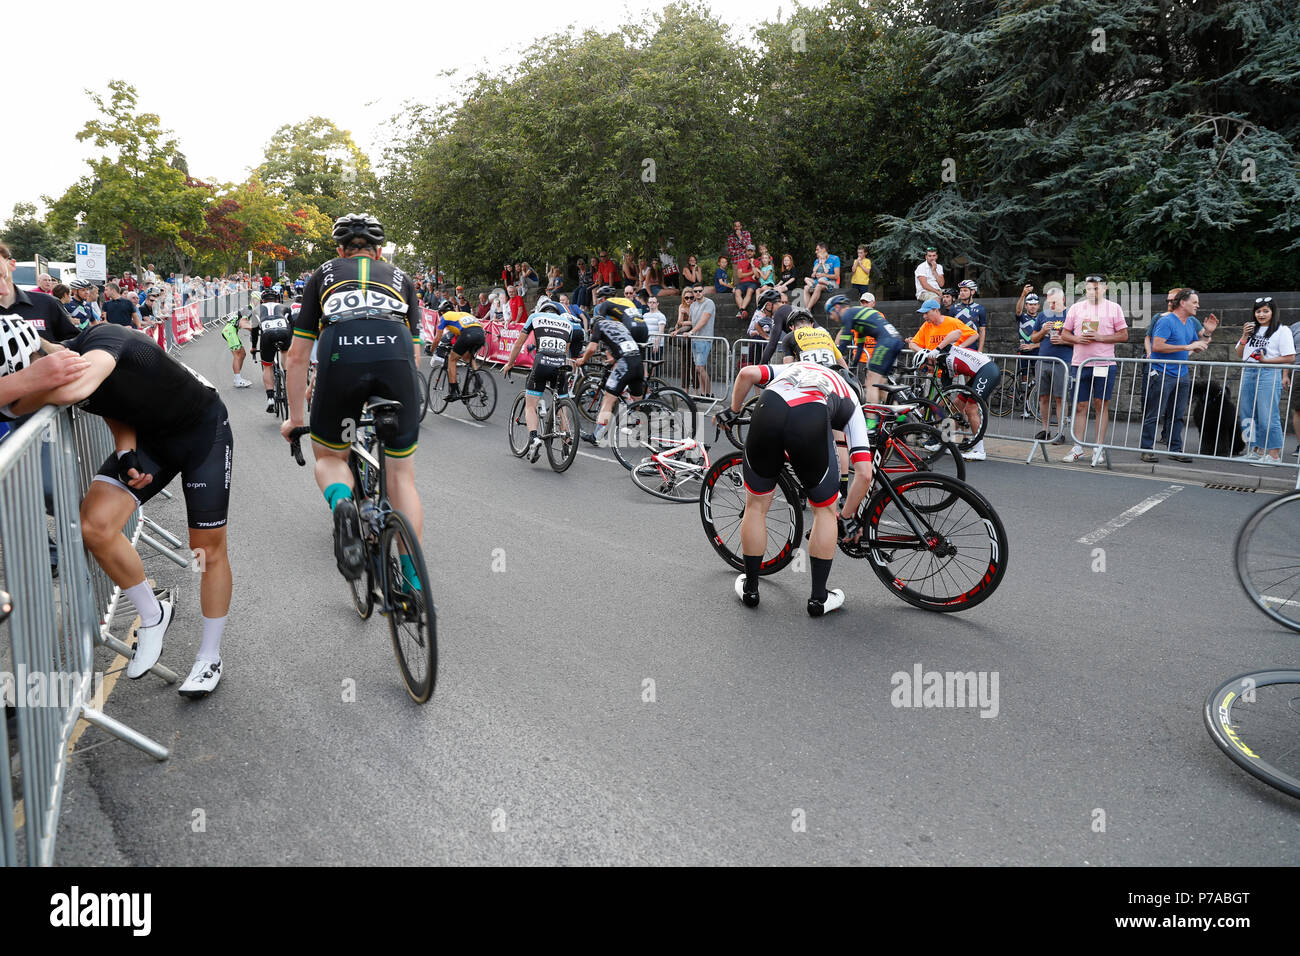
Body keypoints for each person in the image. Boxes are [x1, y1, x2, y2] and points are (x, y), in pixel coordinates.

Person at [6, 317, 236, 698]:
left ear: (36, 357)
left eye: (27, 375)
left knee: (205, 551)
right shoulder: (59, 372)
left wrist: (23, 391)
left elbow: (76, 388)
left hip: (202, 433)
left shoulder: (102, 337)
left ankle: (209, 655)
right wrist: (126, 449)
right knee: (95, 525)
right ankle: (152, 615)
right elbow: (112, 402)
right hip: (149, 440)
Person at [280, 213, 424, 592]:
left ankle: (344, 502)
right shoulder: (401, 278)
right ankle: (414, 582)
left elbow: (296, 356)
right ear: (379, 252)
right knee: (401, 477)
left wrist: (295, 419)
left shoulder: (322, 275)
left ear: (340, 250)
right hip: (395, 358)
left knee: (329, 457)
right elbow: (416, 356)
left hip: (341, 357)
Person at [716, 360, 871, 617]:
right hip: (810, 418)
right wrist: (846, 518)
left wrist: (733, 411)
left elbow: (746, 374)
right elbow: (864, 474)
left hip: (769, 408)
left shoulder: (797, 365)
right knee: (824, 512)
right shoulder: (850, 396)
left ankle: (751, 589)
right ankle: (819, 599)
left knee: (755, 506)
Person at [1060, 274, 1129, 466]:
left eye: (1096, 288)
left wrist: (1100, 337)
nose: (1093, 291)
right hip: (1080, 363)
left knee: (1101, 404)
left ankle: (1098, 447)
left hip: (1104, 364)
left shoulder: (1114, 308)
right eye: (1089, 288)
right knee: (1080, 405)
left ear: (1105, 288)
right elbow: (1065, 333)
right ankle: (1078, 447)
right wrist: (1077, 339)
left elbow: (1124, 335)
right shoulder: (1076, 307)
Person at [502, 296, 580, 462]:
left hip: (542, 363)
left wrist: (510, 363)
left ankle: (534, 438)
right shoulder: (567, 323)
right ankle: (566, 440)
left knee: (531, 405)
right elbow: (565, 350)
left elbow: (518, 344)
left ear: (541, 310)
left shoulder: (535, 317)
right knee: (561, 406)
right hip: (560, 364)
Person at [1139, 288, 1212, 464]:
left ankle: (1175, 449)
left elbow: (1195, 345)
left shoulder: (1189, 322)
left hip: (1182, 374)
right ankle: (1145, 450)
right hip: (1162, 372)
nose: (1198, 305)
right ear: (1182, 303)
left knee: (1177, 414)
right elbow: (1157, 346)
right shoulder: (1166, 321)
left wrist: (1207, 333)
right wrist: (1186, 347)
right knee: (1154, 413)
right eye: (1194, 302)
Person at [1235, 295, 1293, 465]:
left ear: (1273, 312)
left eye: (1265, 311)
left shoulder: (1282, 330)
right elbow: (1240, 354)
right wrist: (1244, 336)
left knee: (1268, 414)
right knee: (1247, 413)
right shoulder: (1252, 330)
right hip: (1249, 371)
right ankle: (1254, 449)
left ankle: (1274, 455)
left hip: (1269, 372)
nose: (1261, 314)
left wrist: (1266, 361)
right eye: (1258, 311)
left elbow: (1289, 357)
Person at [577, 313, 645, 446]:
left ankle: (597, 436)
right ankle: (645, 428)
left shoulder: (598, 325)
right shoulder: (619, 325)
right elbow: (622, 344)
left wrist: (583, 360)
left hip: (625, 363)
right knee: (638, 402)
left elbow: (591, 348)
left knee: (608, 399)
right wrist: (613, 359)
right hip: (637, 360)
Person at [825, 292, 904, 405]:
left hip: (886, 342)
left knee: (871, 383)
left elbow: (844, 342)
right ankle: (901, 416)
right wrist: (853, 365)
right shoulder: (859, 319)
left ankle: (870, 421)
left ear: (837, 308)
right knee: (880, 385)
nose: (831, 317)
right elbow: (860, 346)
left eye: (830, 313)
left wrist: (834, 359)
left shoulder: (848, 314)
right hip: (895, 340)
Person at [1030, 287, 1071, 441]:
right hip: (1043, 360)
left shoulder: (1071, 315)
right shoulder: (1042, 316)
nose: (1051, 305)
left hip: (1063, 361)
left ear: (1063, 300)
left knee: (1060, 398)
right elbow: (1033, 338)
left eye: (1054, 302)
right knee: (1043, 397)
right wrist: (1042, 331)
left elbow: (1080, 340)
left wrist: (1064, 341)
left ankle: (1060, 432)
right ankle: (1045, 430)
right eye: (1049, 302)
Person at [434, 302, 486, 402]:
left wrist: (431, 350)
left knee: (452, 359)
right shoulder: (462, 314)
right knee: (468, 356)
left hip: (468, 334)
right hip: (480, 334)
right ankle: (477, 379)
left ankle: (453, 391)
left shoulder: (445, 317)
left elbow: (437, 338)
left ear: (441, 312)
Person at [256, 292, 294, 413]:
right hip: (284, 333)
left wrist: (253, 347)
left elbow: (254, 330)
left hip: (267, 335)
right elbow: (292, 325)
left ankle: (270, 398)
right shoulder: (285, 307)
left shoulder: (257, 309)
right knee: (285, 353)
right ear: (277, 300)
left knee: (267, 366)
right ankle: (288, 379)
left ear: (262, 301)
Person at [952, 279, 988, 351]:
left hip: (972, 347)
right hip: (956, 346)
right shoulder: (953, 308)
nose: (962, 293)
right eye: (961, 290)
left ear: (973, 292)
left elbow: (982, 331)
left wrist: (980, 350)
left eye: (965, 290)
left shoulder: (980, 309)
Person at [803, 243, 841, 310]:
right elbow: (815, 274)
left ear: (823, 249)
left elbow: (836, 276)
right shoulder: (817, 261)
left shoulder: (835, 258)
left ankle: (807, 309)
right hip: (819, 281)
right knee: (806, 287)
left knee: (818, 286)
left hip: (831, 282)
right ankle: (808, 312)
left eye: (817, 250)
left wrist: (823, 275)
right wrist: (814, 275)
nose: (815, 252)